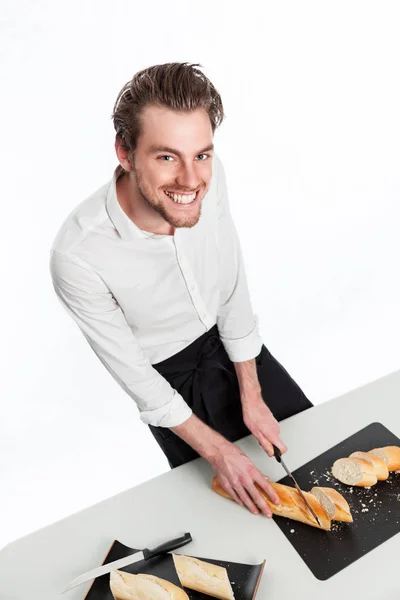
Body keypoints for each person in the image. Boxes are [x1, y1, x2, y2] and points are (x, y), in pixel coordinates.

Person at [49, 62, 313, 518]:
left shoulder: (209, 179)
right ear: (125, 153)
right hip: (170, 386)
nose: (191, 181)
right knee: (239, 519)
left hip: (239, 350)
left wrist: (251, 393)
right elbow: (138, 380)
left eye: (202, 155)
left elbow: (231, 283)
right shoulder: (78, 256)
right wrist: (217, 451)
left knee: (316, 466)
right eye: (167, 156)